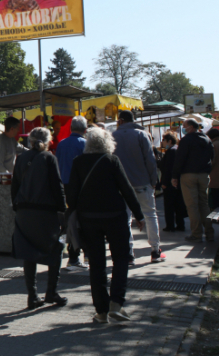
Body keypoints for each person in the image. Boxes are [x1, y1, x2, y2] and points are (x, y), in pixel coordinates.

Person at [66, 127, 145, 323]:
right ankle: (116, 304)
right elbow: (126, 189)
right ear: (108, 143)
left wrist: (70, 219)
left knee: (96, 264)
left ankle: (101, 311)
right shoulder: (112, 160)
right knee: (120, 259)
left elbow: (72, 194)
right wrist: (139, 215)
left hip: (88, 219)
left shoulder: (78, 163)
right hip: (115, 217)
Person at [11, 127, 67, 310]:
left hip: (24, 212)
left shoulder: (21, 158)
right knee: (55, 249)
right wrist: (62, 210)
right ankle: (51, 291)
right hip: (44, 212)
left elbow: (15, 186)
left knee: (29, 251)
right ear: (48, 140)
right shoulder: (49, 158)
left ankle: (32, 296)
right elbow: (57, 187)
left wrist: (17, 207)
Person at [112, 110, 165, 264]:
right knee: (150, 215)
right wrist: (154, 180)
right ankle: (155, 250)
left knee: (126, 219)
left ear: (120, 121)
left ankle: (128, 253)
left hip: (122, 185)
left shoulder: (113, 136)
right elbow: (150, 160)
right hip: (142, 182)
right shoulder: (142, 135)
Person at [172, 118, 215, 243]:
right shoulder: (207, 139)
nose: (183, 128)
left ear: (190, 127)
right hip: (204, 175)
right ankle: (209, 233)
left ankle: (196, 233)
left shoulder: (186, 140)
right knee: (204, 204)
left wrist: (174, 176)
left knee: (192, 206)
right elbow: (212, 156)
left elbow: (179, 159)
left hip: (188, 175)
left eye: (184, 126)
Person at [55, 115, 88, 269]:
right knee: (79, 222)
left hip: (63, 186)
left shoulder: (61, 144)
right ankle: (76, 256)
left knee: (68, 220)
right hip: (79, 188)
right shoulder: (84, 144)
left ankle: (68, 251)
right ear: (85, 129)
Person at [158, 133, 187, 232]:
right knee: (178, 204)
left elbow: (168, 169)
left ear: (169, 141)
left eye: (164, 140)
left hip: (170, 183)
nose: (162, 142)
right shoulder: (176, 149)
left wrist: (164, 183)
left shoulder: (171, 151)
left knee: (169, 206)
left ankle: (170, 225)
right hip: (178, 182)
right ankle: (180, 224)